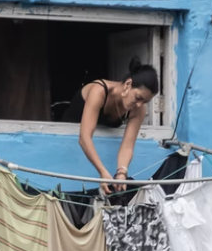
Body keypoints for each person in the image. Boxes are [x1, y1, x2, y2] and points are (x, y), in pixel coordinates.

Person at [61, 58, 159, 195]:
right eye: (138, 97)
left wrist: (121, 172)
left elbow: (128, 146)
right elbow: (84, 137)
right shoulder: (99, 91)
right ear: (128, 84)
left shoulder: (138, 110)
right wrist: (102, 171)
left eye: (145, 101)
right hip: (67, 144)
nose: (139, 104)